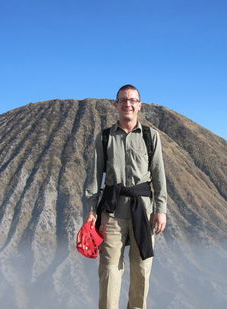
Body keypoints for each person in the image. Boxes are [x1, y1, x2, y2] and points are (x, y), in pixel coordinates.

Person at [84, 84, 167, 309]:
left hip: (144, 211)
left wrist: (161, 210)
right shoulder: (104, 138)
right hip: (111, 211)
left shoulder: (151, 137)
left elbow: (159, 176)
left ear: (139, 105)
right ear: (115, 104)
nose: (127, 104)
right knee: (110, 270)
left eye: (132, 100)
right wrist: (91, 211)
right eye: (123, 100)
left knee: (142, 269)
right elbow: (93, 177)